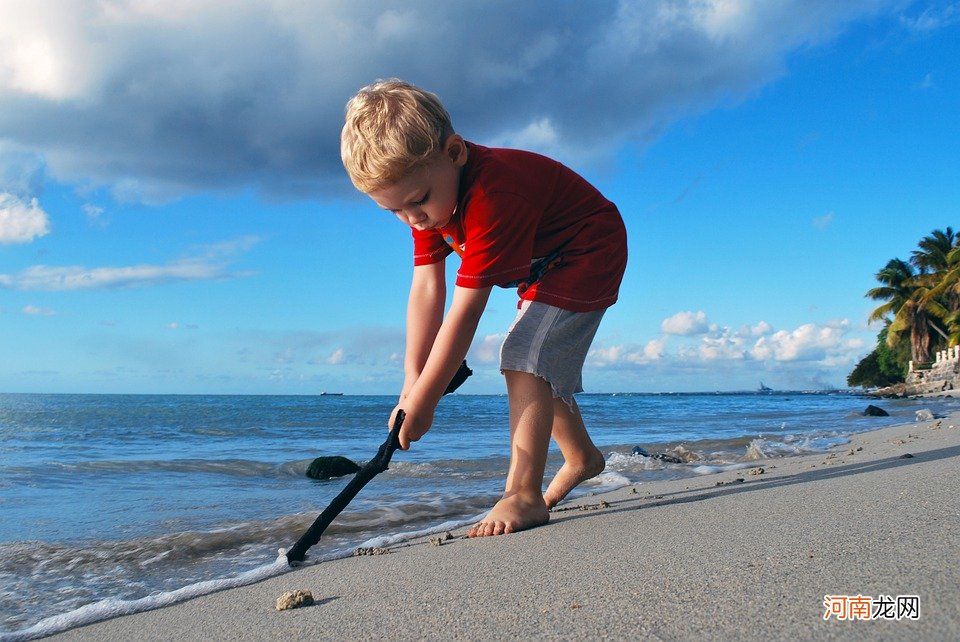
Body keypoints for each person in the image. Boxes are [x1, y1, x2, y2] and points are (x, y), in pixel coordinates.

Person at [340, 79, 627, 537]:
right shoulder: (429, 201)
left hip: (588, 248)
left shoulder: (494, 195)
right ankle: (582, 458)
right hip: (543, 261)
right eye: (393, 211)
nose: (412, 219)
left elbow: (465, 310)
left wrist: (428, 401)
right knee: (537, 357)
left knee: (523, 356)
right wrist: (410, 386)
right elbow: (426, 292)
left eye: (416, 203)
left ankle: (522, 493)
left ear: (454, 153)